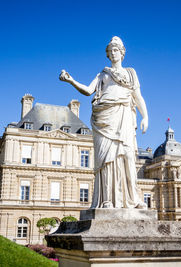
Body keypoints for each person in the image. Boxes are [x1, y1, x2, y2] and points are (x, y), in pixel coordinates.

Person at [59, 36, 149, 209]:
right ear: (108, 54)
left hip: (124, 114)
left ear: (122, 53)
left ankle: (133, 199)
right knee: (107, 160)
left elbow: (138, 97)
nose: (114, 53)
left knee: (128, 157)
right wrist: (71, 81)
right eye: (111, 51)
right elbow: (88, 90)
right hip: (104, 119)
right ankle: (107, 199)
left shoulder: (130, 73)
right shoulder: (103, 74)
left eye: (117, 50)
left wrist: (145, 116)